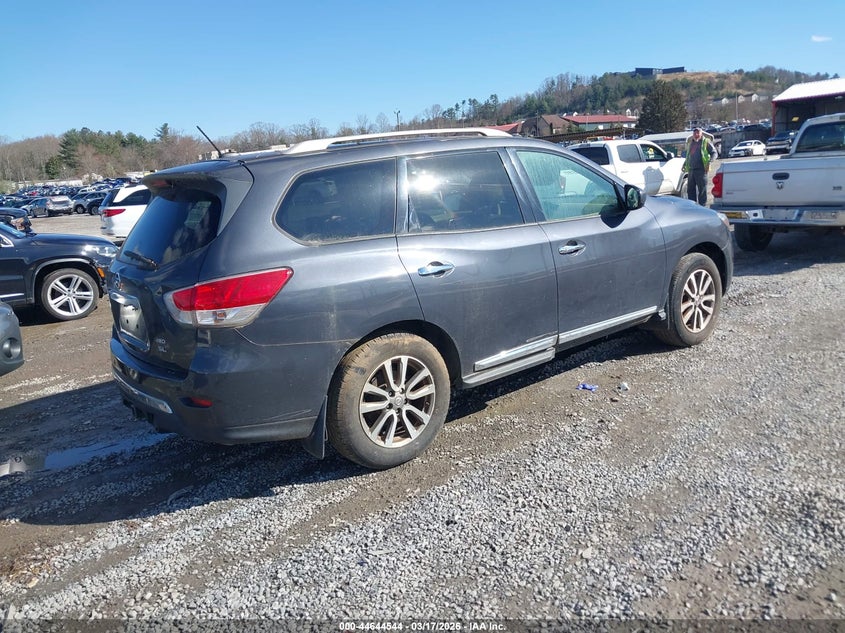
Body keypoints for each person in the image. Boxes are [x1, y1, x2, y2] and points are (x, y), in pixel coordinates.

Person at [683, 127, 718, 206]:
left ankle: (702, 208)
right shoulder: (691, 142)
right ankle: (693, 207)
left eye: (698, 133)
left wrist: (710, 161)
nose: (696, 134)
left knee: (702, 190)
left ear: (701, 134)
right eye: (695, 133)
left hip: (701, 170)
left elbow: (714, 153)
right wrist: (685, 163)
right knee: (690, 190)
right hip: (691, 170)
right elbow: (689, 155)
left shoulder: (706, 142)